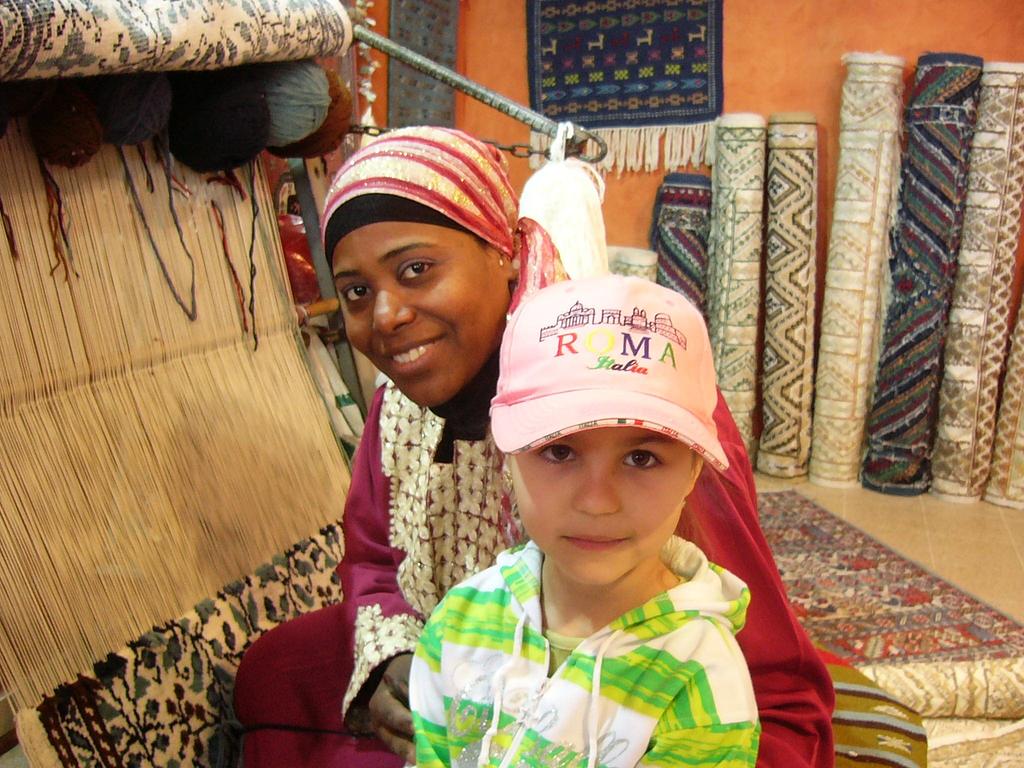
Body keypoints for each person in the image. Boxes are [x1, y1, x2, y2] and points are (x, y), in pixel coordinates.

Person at [232, 126, 834, 768]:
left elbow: (768, 677)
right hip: (462, 647)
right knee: (272, 673)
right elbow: (376, 557)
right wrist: (396, 656)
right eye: (357, 291)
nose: (387, 316)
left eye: (416, 271)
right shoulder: (397, 408)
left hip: (613, 660)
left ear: (507, 255)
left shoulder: (641, 401)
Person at [411, 274, 760, 767]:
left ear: (692, 473)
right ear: (506, 456)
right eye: (559, 451)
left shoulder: (702, 683)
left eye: (641, 458)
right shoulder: (459, 624)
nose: (597, 503)